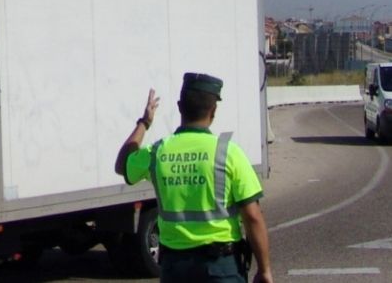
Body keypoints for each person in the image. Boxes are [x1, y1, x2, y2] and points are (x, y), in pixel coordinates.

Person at [115, 73, 273, 283]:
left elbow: (122, 165)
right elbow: (252, 216)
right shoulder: (228, 152)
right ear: (213, 111)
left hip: (175, 268)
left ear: (180, 107)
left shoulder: (157, 152)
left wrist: (144, 122)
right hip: (220, 267)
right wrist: (264, 270)